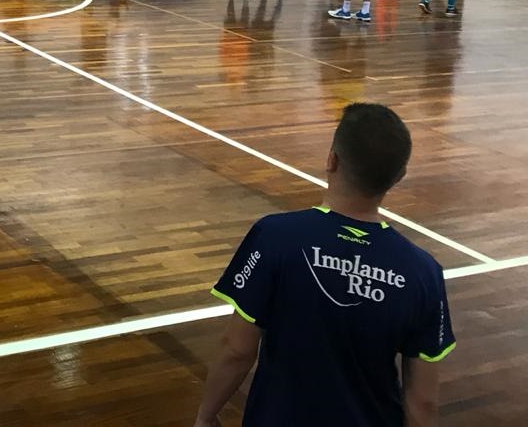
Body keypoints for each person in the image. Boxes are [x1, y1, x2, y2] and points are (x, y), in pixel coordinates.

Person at [194, 102, 454, 427]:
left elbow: (237, 350)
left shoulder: (275, 237)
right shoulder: (424, 273)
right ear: (398, 177)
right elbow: (424, 403)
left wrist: (206, 415)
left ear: (331, 159)